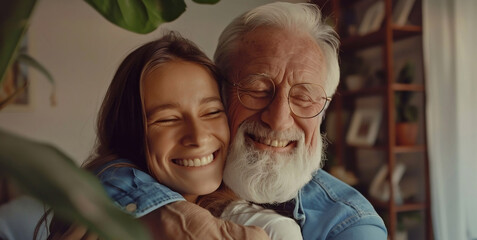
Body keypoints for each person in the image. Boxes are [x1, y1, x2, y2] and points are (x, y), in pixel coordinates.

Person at [60, 2, 388, 239]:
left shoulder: (350, 225)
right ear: (221, 91)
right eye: (257, 89)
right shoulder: (183, 170)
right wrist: (167, 212)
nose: (278, 119)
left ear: (325, 107)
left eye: (304, 97)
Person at [47, 31, 303, 240]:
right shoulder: (92, 213)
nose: (198, 136)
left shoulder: (269, 230)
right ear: (129, 132)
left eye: (212, 112)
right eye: (167, 119)